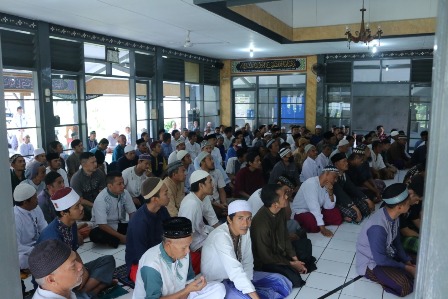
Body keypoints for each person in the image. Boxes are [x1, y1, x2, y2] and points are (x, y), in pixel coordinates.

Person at [201, 200, 293, 299]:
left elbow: (247, 260)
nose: (245, 224)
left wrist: (249, 283)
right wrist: (253, 295)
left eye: (248, 218)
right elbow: (234, 270)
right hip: (219, 281)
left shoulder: (244, 231)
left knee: (281, 281)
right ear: (229, 219)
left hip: (238, 275)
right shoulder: (220, 236)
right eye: (240, 218)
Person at [38, 187, 116, 297]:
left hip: (73, 270)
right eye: (77, 207)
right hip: (58, 281)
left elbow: (74, 250)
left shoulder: (72, 223)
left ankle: (89, 290)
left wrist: (83, 272)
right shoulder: (52, 237)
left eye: (80, 204)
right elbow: (56, 275)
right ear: (64, 213)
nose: (82, 208)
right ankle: (97, 287)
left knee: (108, 260)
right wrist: (80, 275)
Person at [133, 217, 226, 299]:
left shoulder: (184, 253)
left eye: (189, 246)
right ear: (169, 244)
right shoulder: (151, 265)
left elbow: (189, 279)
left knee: (219, 289)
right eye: (184, 247)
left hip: (182, 294)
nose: (188, 251)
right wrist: (186, 291)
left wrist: (193, 286)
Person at [356, 183, 415, 297]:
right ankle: (395, 274)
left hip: (388, 253)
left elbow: (396, 241)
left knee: (418, 260)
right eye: (408, 202)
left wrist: (406, 261)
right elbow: (380, 260)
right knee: (405, 284)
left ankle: (403, 270)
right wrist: (406, 267)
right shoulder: (377, 228)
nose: (410, 204)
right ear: (399, 207)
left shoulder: (394, 215)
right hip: (372, 263)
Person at [251, 184, 308, 288]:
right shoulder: (260, 224)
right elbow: (266, 257)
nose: (286, 197)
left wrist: (295, 259)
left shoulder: (280, 210)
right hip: (266, 261)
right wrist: (291, 264)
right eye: (283, 196)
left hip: (280, 250)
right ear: (275, 204)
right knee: (295, 280)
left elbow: (285, 236)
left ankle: (295, 264)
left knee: (305, 245)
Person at [125, 177, 171, 282]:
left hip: (161, 255)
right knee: (158, 280)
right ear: (155, 199)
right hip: (140, 264)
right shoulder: (139, 222)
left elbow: (170, 233)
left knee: (191, 258)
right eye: (165, 193)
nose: (169, 196)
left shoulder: (162, 210)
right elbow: (142, 257)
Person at [178, 170, 220, 274]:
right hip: (195, 243)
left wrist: (225, 235)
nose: (213, 184)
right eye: (210, 181)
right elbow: (186, 235)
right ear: (201, 186)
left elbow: (213, 221)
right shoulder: (191, 204)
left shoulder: (204, 198)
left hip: (203, 233)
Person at [291, 165, 343, 237]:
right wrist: (323, 228)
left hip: (317, 211)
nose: (336, 180)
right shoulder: (311, 183)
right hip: (302, 212)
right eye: (335, 177)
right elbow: (314, 207)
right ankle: (318, 223)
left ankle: (318, 221)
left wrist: (330, 192)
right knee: (312, 223)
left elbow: (329, 207)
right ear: (327, 173)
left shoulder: (326, 185)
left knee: (336, 214)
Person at [89, 172, 137, 248]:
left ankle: (117, 240)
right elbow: (102, 225)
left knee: (140, 225)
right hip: (104, 227)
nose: (123, 186)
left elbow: (132, 213)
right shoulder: (101, 200)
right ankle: (119, 239)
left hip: (119, 224)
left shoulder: (125, 193)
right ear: (110, 186)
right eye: (119, 184)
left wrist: (132, 228)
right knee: (95, 235)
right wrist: (122, 237)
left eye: (123, 183)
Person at [13, 184, 47, 271]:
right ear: (25, 202)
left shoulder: (36, 207)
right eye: (35, 197)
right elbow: (16, 246)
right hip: (25, 250)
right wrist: (35, 250)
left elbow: (44, 227)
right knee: (21, 260)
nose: (37, 199)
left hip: (39, 244)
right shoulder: (15, 217)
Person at [331, 153, 372, 222]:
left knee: (365, 206)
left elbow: (353, 188)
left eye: (346, 161)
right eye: (344, 161)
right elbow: (340, 195)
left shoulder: (344, 174)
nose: (347, 163)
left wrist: (367, 199)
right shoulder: (332, 177)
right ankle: (343, 216)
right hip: (335, 202)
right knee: (353, 214)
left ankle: (347, 214)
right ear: (336, 164)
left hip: (345, 199)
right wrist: (356, 209)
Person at [70, 152, 106, 220]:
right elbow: (80, 200)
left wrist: (101, 204)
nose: (95, 164)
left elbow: (102, 192)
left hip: (99, 203)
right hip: (84, 208)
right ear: (83, 164)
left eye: (95, 161)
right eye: (92, 162)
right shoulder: (76, 179)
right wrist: (94, 205)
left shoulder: (99, 173)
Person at [197, 151, 228, 219]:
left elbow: (221, 190)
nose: (213, 161)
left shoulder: (217, 172)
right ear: (203, 162)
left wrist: (224, 203)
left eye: (212, 159)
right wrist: (219, 206)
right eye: (210, 159)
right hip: (208, 204)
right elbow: (203, 197)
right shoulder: (198, 176)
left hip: (219, 202)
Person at [400, 174, 424, 254]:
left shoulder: (415, 201)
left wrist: (426, 233)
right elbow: (405, 231)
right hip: (398, 237)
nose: (417, 202)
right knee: (421, 245)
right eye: (417, 199)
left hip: (409, 228)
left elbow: (415, 219)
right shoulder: (399, 204)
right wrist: (424, 238)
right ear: (411, 193)